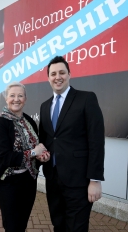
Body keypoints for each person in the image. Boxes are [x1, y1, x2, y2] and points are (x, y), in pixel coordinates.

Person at [38, 56, 105, 232]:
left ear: (69, 74)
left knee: (76, 227)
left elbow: (96, 142)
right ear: (48, 78)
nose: (57, 77)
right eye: (53, 74)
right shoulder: (45, 106)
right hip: (53, 179)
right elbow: (45, 141)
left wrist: (95, 180)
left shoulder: (86, 99)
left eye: (62, 72)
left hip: (79, 181)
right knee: (58, 224)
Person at [0, 82, 50, 232]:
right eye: (12, 96)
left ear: (25, 99)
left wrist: (42, 157)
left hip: (29, 181)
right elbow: (6, 157)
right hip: (9, 182)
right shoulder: (0, 123)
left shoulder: (30, 121)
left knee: (22, 223)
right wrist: (34, 152)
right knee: (12, 225)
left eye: (20, 96)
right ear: (6, 99)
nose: (16, 99)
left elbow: (37, 147)